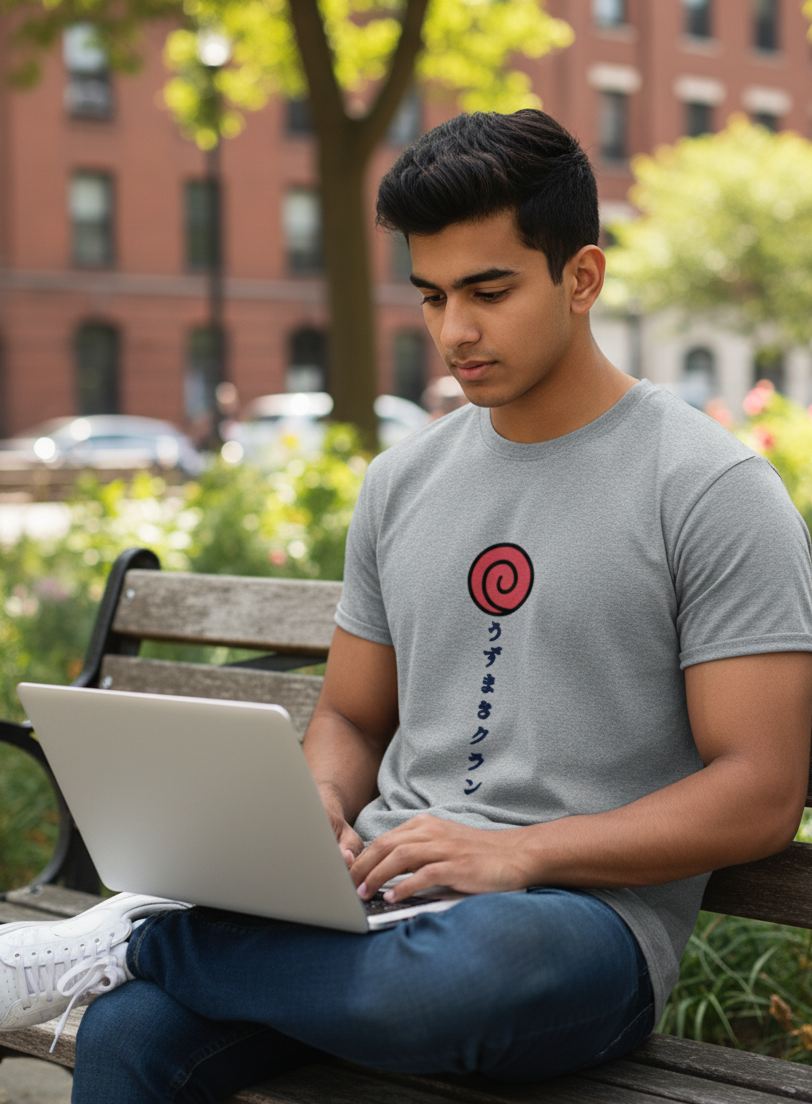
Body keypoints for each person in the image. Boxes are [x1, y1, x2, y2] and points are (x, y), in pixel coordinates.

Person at [2, 109, 812, 1103]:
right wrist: (317, 803)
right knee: (130, 1035)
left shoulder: (708, 488)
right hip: (379, 899)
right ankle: (148, 952)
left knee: (465, 976)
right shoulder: (401, 482)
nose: (453, 330)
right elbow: (351, 714)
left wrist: (517, 853)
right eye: (431, 295)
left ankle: (137, 940)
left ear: (581, 277)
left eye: (488, 291)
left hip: (575, 922)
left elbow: (761, 790)